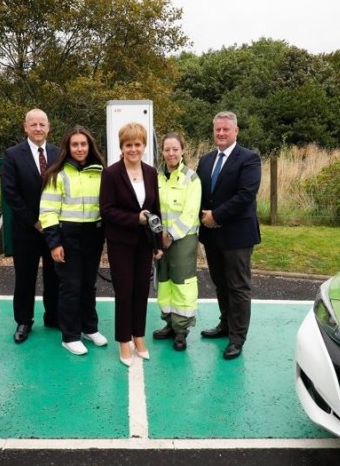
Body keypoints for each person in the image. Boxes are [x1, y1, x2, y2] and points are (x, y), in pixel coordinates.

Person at [197, 111, 261, 360]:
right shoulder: (206, 159)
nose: (221, 133)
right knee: (220, 283)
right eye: (217, 129)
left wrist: (216, 216)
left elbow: (246, 195)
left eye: (226, 129)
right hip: (211, 237)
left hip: (237, 236)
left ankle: (237, 338)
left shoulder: (249, 159)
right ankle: (225, 325)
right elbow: (200, 194)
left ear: (236, 131)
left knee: (238, 287)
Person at [39, 125, 109, 356]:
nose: (80, 148)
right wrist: (54, 242)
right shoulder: (56, 174)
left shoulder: (101, 172)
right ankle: (70, 336)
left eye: (83, 144)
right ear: (68, 148)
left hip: (93, 235)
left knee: (89, 284)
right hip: (67, 237)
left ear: (90, 146)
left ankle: (90, 328)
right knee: (70, 287)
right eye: (75, 144)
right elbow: (47, 210)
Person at [100, 122, 163, 367]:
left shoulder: (150, 172)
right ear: (122, 147)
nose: (133, 149)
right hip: (120, 243)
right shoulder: (111, 173)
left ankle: (139, 337)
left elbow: (156, 209)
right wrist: (134, 219)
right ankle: (124, 341)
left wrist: (158, 243)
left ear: (144, 146)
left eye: (138, 144)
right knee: (124, 292)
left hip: (144, 243)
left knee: (141, 292)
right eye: (129, 145)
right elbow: (106, 211)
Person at [1, 108, 59, 344]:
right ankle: (24, 321)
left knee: (54, 276)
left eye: (42, 124)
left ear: (48, 127)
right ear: (25, 127)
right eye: (33, 124)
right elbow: (11, 193)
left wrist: (51, 222)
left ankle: (54, 316)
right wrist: (34, 221)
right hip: (26, 230)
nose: (38, 128)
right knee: (25, 277)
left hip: (54, 228)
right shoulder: (13, 154)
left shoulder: (58, 153)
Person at [153, 133, 201, 351]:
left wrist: (170, 235)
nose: (171, 153)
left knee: (182, 284)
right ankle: (170, 324)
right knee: (164, 283)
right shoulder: (157, 177)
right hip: (161, 240)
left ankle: (181, 330)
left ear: (182, 151)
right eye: (167, 149)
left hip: (182, 240)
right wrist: (157, 236)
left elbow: (190, 212)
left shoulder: (191, 178)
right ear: (162, 152)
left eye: (175, 149)